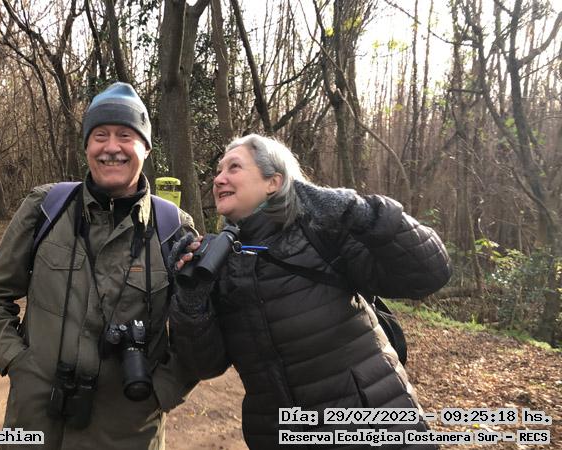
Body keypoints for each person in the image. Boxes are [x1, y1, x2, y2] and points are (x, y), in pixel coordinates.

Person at [169, 134, 452, 450]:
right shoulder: (218, 263)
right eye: (218, 171)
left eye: (234, 167)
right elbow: (205, 365)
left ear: (274, 182)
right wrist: (191, 298)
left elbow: (429, 274)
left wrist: (358, 212)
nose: (219, 178)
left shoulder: (320, 231)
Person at [0, 82, 198, 450]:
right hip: (35, 421)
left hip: (126, 431)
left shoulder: (174, 230)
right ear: (87, 147)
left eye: (125, 135)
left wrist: (164, 390)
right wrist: (17, 362)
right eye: (100, 135)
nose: (112, 147)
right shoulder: (45, 208)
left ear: (145, 147)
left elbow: (199, 332)